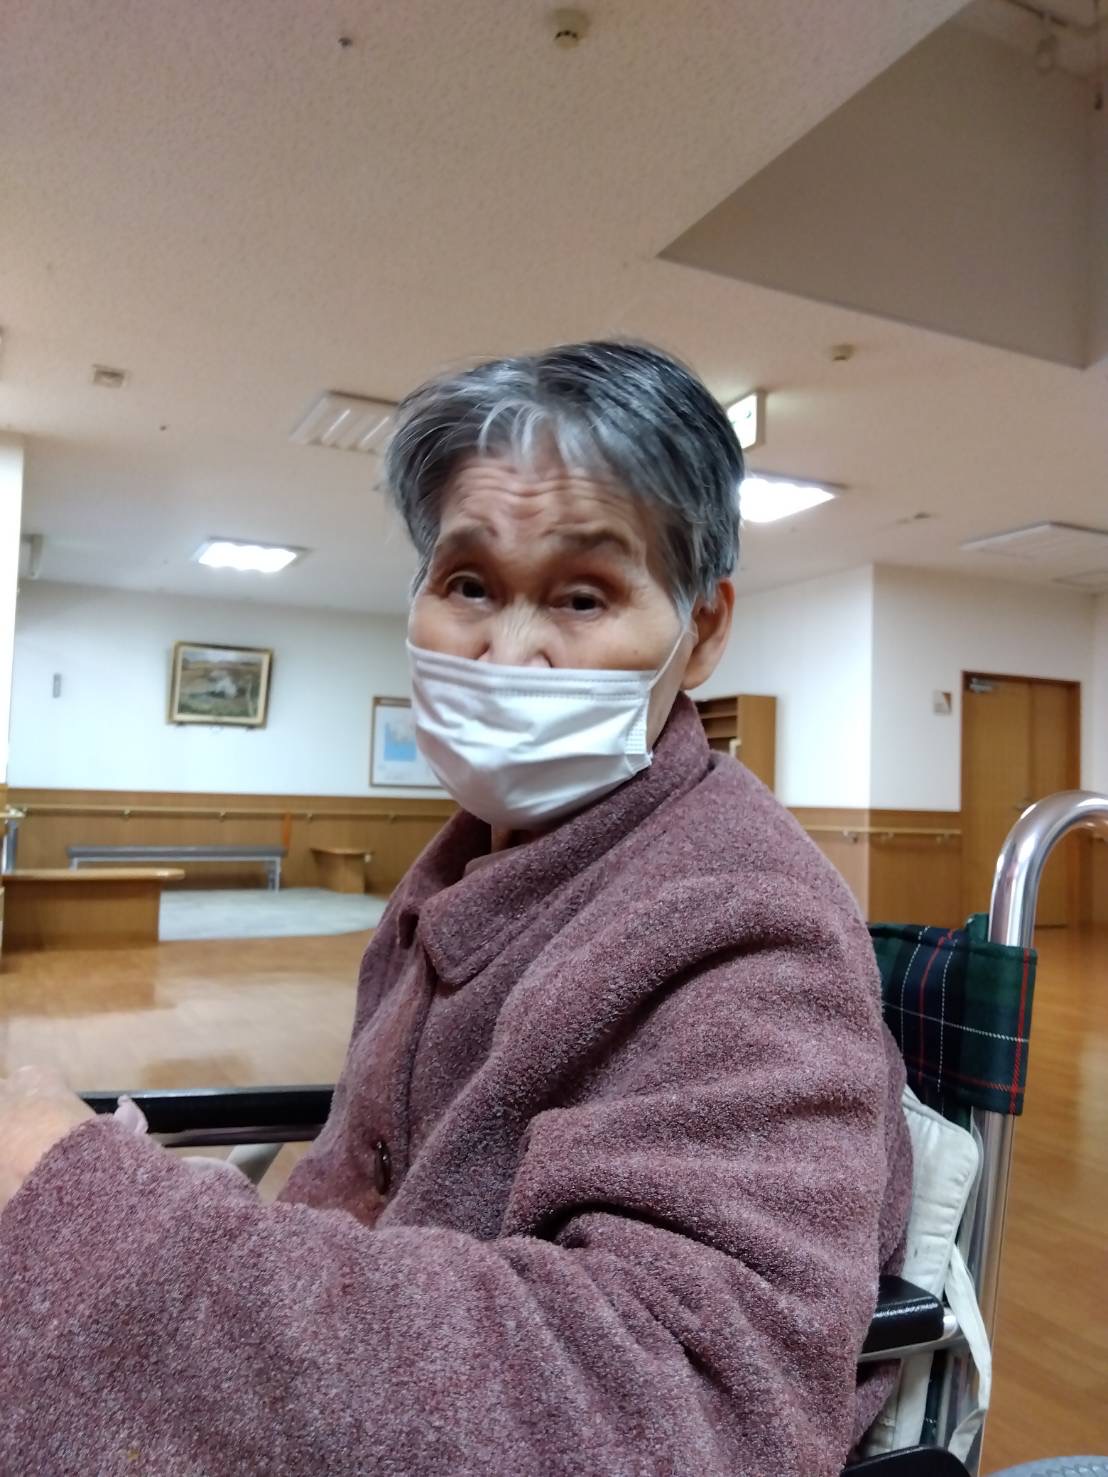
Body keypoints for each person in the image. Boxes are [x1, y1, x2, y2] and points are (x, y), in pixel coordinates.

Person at [0, 342, 911, 1476]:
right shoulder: (468, 864)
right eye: (469, 584)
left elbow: (683, 1405)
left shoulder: (746, 921)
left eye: (583, 596)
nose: (511, 651)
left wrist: (97, 1212)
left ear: (704, 630)